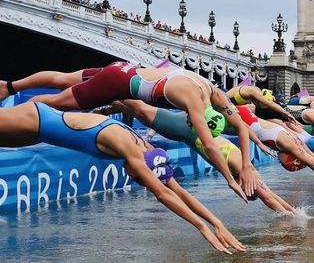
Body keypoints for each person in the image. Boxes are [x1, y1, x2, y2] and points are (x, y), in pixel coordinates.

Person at [0, 102, 244, 254]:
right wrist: (202, 227)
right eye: (139, 179)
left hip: (40, 133)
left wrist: (217, 223)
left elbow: (178, 191)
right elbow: (162, 194)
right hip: (36, 120)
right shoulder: (128, 146)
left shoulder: (146, 149)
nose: (135, 180)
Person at [0, 63, 259, 200]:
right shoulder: (193, 104)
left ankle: (9, 87)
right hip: (115, 85)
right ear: (198, 118)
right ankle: (16, 114)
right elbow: (211, 146)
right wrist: (230, 180)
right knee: (56, 104)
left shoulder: (211, 90)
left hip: (122, 68)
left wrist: (246, 165)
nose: (190, 123)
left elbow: (240, 126)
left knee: (62, 78)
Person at [104, 99, 295, 215]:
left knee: (139, 110)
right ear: (247, 188)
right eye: (245, 191)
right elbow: (267, 197)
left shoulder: (248, 171)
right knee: (140, 109)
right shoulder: (243, 172)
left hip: (187, 129)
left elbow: (270, 195)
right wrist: (291, 217)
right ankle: (107, 97)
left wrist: (292, 210)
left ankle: (105, 108)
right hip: (185, 130)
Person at [234, 105, 314, 192]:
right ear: (290, 157)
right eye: (283, 163)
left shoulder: (293, 142)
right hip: (243, 115)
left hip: (247, 116)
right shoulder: (288, 144)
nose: (280, 161)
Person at [225, 85, 296, 123]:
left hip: (225, 104)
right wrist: (286, 113)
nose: (257, 106)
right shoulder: (253, 91)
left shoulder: (249, 91)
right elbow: (269, 103)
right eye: (260, 105)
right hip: (221, 104)